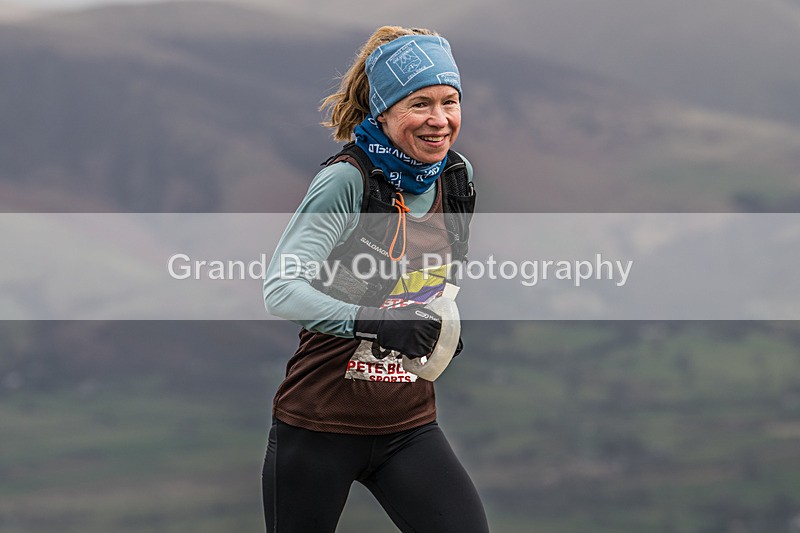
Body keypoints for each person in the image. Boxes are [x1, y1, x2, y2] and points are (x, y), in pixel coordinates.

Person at [262, 26, 489, 533]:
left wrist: (438, 327)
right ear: (383, 112)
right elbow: (280, 288)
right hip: (318, 424)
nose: (439, 120)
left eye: (449, 102)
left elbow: (426, 277)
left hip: (407, 426)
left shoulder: (456, 177)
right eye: (420, 104)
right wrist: (376, 323)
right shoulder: (349, 180)